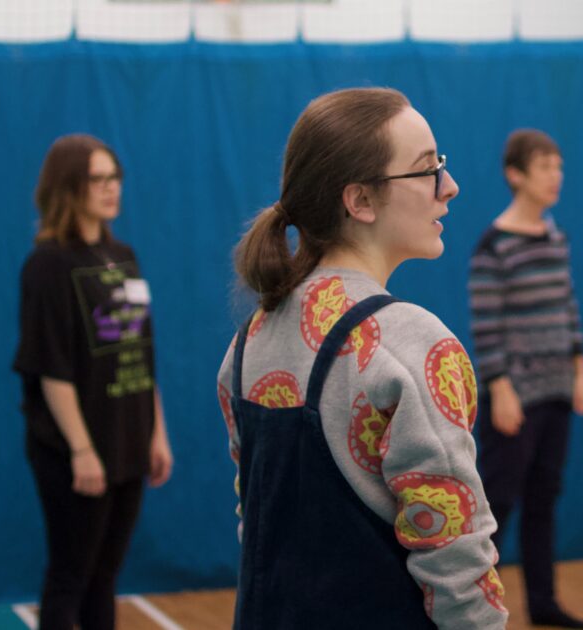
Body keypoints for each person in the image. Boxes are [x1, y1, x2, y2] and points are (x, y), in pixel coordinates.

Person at [216, 87, 508, 629]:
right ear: (361, 201)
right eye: (427, 170)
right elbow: (454, 554)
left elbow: (255, 527)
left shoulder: (249, 340)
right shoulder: (409, 344)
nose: (450, 187)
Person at [13, 134, 173, 630]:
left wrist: (155, 432)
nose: (111, 188)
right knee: (71, 575)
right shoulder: (48, 264)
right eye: (97, 179)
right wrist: (82, 450)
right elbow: (49, 367)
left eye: (114, 177)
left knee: (105, 577)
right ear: (68, 187)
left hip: (127, 439)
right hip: (74, 450)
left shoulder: (121, 254)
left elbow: (140, 355)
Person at [468, 129, 583, 629]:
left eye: (558, 167)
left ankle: (543, 604)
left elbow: (568, 308)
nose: (555, 176)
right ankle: (474, 608)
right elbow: (486, 323)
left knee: (545, 499)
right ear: (515, 174)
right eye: (544, 167)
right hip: (515, 397)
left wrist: (579, 372)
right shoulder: (493, 245)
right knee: (496, 504)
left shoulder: (555, 236)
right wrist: (500, 387)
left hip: (558, 390)